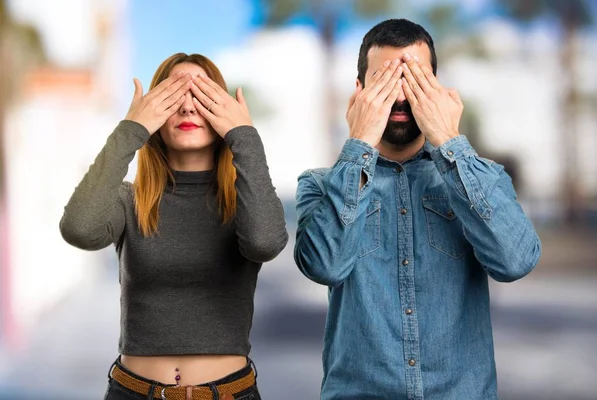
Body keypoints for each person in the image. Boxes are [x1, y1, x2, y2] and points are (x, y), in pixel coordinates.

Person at [294, 18, 541, 400]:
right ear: (359, 91)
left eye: (415, 80)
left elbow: (517, 261)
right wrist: (359, 141)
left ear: (436, 90)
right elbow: (324, 266)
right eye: (386, 80)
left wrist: (450, 142)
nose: (400, 96)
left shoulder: (484, 177)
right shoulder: (320, 184)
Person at [60, 53, 288, 400]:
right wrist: (130, 130)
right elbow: (79, 229)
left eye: (201, 96)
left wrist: (244, 135)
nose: (187, 108)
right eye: (173, 95)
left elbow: (265, 243)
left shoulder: (246, 200)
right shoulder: (129, 199)